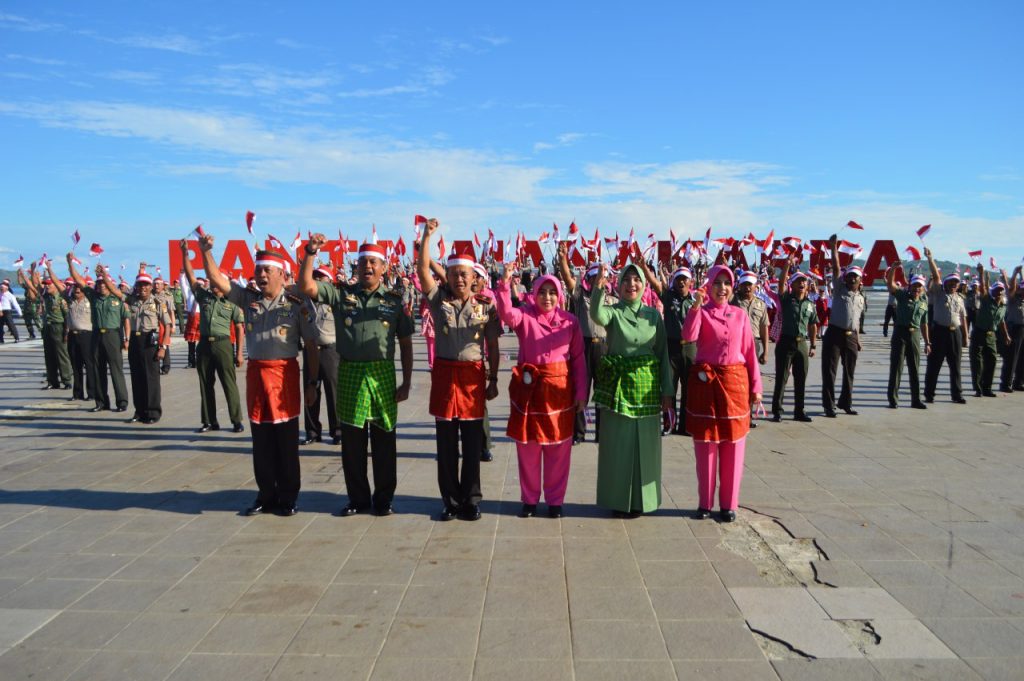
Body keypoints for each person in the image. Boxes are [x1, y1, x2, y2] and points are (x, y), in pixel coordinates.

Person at [300, 237, 414, 516]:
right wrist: (311, 252)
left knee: (385, 440)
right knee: (352, 442)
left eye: (373, 262)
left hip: (382, 375)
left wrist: (407, 381)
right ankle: (358, 499)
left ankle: (384, 499)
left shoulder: (394, 301)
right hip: (350, 372)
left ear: (384, 267)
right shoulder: (341, 294)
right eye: (363, 262)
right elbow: (307, 286)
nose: (368, 267)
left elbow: (406, 342)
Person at [200, 235, 303, 516]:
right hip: (257, 376)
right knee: (261, 440)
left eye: (267, 270)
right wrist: (206, 252)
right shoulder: (249, 299)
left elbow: (313, 346)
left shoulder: (295, 303)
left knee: (285, 440)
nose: (261, 275)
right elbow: (219, 282)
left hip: (284, 377)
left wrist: (314, 381)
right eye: (258, 270)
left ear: (281, 274)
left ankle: (288, 496)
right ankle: (265, 494)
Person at [416, 219, 500, 522]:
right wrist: (427, 236)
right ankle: (450, 501)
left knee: (473, 443)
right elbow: (422, 270)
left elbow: (492, 344)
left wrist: (493, 379)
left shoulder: (486, 306)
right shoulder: (439, 301)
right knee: (447, 444)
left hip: (473, 378)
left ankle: (471, 500)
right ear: (448, 276)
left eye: (463, 274)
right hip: (445, 377)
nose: (459, 279)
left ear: (473, 277)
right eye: (453, 274)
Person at [495, 263, 587, 519]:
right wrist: (504, 284)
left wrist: (581, 394)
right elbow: (505, 314)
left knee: (559, 448)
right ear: (534, 294)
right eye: (543, 292)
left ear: (560, 296)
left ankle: (555, 500)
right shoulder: (525, 316)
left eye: (552, 292)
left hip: (560, 393)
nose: (547, 297)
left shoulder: (570, 322)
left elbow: (579, 360)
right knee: (529, 447)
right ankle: (530, 499)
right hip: (530, 391)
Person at [589, 261, 673, 518]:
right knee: (618, 445)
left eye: (636, 280)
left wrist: (667, 393)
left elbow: (662, 354)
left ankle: (643, 501)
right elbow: (597, 315)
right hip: (619, 388)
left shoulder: (653, 316)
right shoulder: (613, 312)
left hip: (647, 388)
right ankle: (618, 500)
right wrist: (598, 290)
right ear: (619, 283)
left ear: (644, 285)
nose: (631, 285)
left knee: (646, 447)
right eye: (626, 280)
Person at [682, 265, 762, 522]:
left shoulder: (740, 315)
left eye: (727, 283)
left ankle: (729, 504)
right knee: (706, 444)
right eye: (717, 283)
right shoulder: (701, 312)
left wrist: (756, 387)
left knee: (733, 445)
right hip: (706, 385)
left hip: (735, 384)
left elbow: (750, 353)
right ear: (708, 285)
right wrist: (696, 305)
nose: (723, 288)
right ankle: (704, 503)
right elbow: (688, 336)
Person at [179, 241, 245, 433]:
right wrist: (185, 254)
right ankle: (209, 421)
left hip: (223, 345)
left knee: (228, 383)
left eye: (218, 282)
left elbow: (240, 328)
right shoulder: (204, 297)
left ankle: (236, 420)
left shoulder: (232, 303)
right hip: (204, 345)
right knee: (205, 383)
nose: (214, 285)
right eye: (213, 282)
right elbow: (191, 276)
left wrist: (239, 353)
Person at [556, 242, 616, 444]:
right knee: (580, 389)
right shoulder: (581, 295)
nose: (598, 279)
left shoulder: (611, 299)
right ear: (589, 279)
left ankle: (602, 434)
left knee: (602, 391)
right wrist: (563, 259)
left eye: (601, 276)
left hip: (604, 347)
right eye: (594, 276)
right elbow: (566, 277)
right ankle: (578, 434)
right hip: (583, 345)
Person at [637, 256, 698, 436]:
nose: (681, 282)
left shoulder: (696, 300)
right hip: (671, 348)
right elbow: (655, 284)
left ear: (690, 283)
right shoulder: (669, 296)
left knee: (689, 389)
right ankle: (668, 424)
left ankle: (686, 426)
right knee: (669, 388)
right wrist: (644, 269)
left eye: (684, 279)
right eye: (678, 279)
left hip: (690, 348)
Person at [67, 257, 130, 412]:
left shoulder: (117, 298)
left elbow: (126, 319)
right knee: (97, 369)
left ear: (110, 284)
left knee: (116, 369)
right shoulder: (93, 296)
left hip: (112, 335)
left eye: (104, 283)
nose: (102, 286)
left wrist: (126, 338)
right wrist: (70, 264)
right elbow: (79, 280)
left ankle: (122, 402)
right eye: (100, 283)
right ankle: (101, 402)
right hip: (96, 335)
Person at [821, 233, 866, 417]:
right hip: (834, 333)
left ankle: (846, 403)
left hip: (851, 336)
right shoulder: (839, 289)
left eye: (856, 277)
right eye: (850, 277)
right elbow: (837, 267)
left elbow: (855, 320)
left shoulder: (861, 298)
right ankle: (829, 405)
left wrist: (859, 339)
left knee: (849, 372)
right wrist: (833, 247)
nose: (852, 279)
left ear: (860, 280)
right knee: (830, 371)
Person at [298, 265, 342, 446]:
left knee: (334, 393)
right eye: (315, 276)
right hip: (310, 351)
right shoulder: (304, 301)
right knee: (310, 389)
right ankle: (312, 430)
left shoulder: (336, 300)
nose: (317, 279)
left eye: (321, 277)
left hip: (330, 350)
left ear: (330, 281)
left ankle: (337, 430)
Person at [771, 257, 817, 422]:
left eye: (804, 281)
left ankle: (799, 411)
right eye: (798, 281)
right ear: (793, 284)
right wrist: (786, 266)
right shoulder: (786, 299)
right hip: (785, 342)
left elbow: (813, 325)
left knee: (801, 378)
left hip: (802, 344)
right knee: (782, 378)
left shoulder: (810, 304)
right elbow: (781, 284)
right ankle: (777, 410)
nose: (802, 284)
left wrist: (813, 345)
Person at [923, 247, 968, 404]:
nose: (954, 285)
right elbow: (936, 277)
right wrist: (930, 258)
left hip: (955, 333)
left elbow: (963, 318)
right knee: (934, 364)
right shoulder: (939, 293)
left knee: (955, 365)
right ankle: (929, 394)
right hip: (939, 332)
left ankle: (957, 394)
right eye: (951, 282)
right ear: (946, 283)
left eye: (956, 283)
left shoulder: (960, 298)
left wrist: (966, 336)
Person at [124, 271, 171, 423]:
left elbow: (167, 325)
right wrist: (105, 275)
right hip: (135, 341)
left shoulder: (158, 303)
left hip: (150, 341)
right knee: (137, 378)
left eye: (145, 285)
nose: (142, 288)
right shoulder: (132, 301)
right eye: (140, 284)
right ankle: (139, 411)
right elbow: (115, 291)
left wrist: (163, 347)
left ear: (151, 287)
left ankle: (152, 412)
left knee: (151, 379)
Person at [884, 264, 930, 409]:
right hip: (900, 333)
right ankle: (893, 399)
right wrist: (893, 270)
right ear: (910, 286)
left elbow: (924, 323)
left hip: (915, 335)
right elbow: (891, 285)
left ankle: (916, 400)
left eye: (919, 286)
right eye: (915, 286)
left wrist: (928, 342)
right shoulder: (903, 295)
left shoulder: (923, 302)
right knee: (897, 367)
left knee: (915, 368)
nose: (917, 289)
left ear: (922, 288)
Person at [969, 263, 1010, 398]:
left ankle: (987, 387)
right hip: (979, 333)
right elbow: (983, 287)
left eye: (1000, 290)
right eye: (996, 290)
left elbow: (1002, 321)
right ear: (992, 292)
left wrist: (1006, 336)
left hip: (991, 336)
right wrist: (981, 274)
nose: (998, 292)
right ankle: (978, 388)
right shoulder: (987, 300)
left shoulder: (1003, 306)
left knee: (992, 360)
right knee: (977, 362)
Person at [38, 261, 73, 389]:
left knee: (61, 355)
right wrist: (35, 273)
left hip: (59, 327)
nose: (47, 287)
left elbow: (67, 317)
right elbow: (36, 287)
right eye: (46, 285)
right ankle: (52, 381)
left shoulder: (61, 299)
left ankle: (67, 380)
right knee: (49, 355)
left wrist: (66, 333)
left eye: (49, 285)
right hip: (48, 327)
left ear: (55, 286)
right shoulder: (46, 297)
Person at [64, 278, 97, 401]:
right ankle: (77, 393)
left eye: (79, 289)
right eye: (75, 288)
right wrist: (50, 270)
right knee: (75, 366)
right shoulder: (70, 300)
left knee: (89, 365)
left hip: (86, 335)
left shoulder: (90, 300)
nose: (77, 290)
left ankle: (92, 393)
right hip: (73, 335)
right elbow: (57, 286)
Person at [1000, 267, 1024, 392]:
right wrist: (1014, 274)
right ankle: (1006, 383)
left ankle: (1019, 382)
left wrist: (1021, 274)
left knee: (1022, 358)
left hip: (1023, 329)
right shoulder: (1013, 299)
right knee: (1011, 358)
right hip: (1014, 329)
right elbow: (1012, 288)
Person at [152, 278, 176, 375]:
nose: (156, 285)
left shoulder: (167, 297)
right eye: (155, 284)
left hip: (164, 323)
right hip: (153, 323)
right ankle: (155, 365)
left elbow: (171, 312)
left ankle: (166, 365)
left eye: (158, 284)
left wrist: (173, 325)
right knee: (153, 344)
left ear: (162, 286)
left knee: (164, 344)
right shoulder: (150, 296)